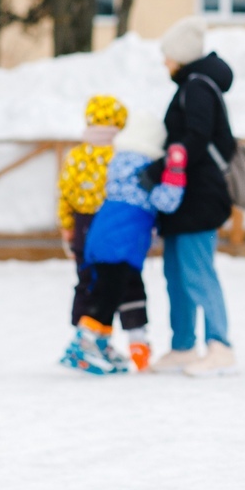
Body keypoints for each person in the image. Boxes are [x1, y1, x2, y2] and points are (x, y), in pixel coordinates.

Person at [145, 16, 238, 377]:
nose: (164, 61)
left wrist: (160, 165)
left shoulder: (197, 87)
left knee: (197, 271)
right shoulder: (190, 85)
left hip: (200, 194)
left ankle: (220, 345)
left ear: (181, 55)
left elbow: (196, 139)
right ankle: (183, 345)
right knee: (175, 272)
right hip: (182, 194)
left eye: (167, 55)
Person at [61, 113, 185, 375]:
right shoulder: (146, 169)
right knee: (109, 296)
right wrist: (175, 169)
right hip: (120, 245)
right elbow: (167, 202)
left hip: (102, 238)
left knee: (108, 290)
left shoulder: (120, 162)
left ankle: (101, 345)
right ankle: (83, 346)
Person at [58, 95, 154, 371]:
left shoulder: (76, 155)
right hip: (115, 223)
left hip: (82, 223)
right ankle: (127, 338)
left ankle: (86, 336)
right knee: (123, 281)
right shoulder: (121, 155)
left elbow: (64, 193)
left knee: (88, 281)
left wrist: (67, 225)